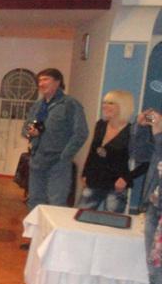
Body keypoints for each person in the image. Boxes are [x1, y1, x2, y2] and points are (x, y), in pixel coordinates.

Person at [23, 68, 88, 211]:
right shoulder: (38, 106)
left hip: (58, 163)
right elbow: (25, 129)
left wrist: (65, 156)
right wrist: (30, 132)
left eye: (45, 79)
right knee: (34, 201)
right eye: (39, 80)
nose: (41, 83)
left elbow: (81, 133)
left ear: (58, 82)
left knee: (56, 204)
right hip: (37, 160)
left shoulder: (70, 104)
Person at [79, 90, 148, 213]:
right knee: (80, 216)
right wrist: (85, 173)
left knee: (111, 221)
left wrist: (126, 178)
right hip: (93, 181)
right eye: (104, 102)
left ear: (123, 106)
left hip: (116, 187)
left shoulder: (132, 132)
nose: (105, 106)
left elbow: (146, 162)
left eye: (111, 103)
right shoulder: (101, 125)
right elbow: (93, 152)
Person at [128, 107, 162, 284]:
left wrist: (158, 134)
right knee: (155, 275)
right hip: (155, 209)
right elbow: (139, 154)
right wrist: (141, 128)